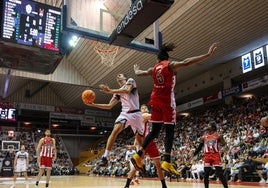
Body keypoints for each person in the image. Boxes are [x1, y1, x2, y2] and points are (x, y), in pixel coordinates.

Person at [131, 42, 218, 175]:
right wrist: (207, 54)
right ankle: (167, 161)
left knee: (154, 132)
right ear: (166, 58)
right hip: (167, 102)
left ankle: (138, 154)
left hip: (155, 101)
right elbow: (187, 62)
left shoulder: (153, 69)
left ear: (158, 59)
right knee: (170, 131)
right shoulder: (169, 65)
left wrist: (136, 70)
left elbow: (139, 73)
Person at [86, 73, 144, 166]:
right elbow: (109, 106)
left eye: (120, 75)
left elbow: (127, 90)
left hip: (136, 114)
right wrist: (93, 104)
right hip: (125, 114)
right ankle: (105, 157)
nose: (118, 77)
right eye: (117, 76)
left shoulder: (130, 81)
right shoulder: (117, 92)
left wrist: (109, 91)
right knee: (115, 131)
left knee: (140, 143)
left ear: (125, 77)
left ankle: (141, 162)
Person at [124, 104, 168, 188]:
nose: (144, 109)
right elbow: (154, 116)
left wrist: (134, 145)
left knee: (157, 165)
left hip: (149, 143)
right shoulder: (143, 116)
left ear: (147, 110)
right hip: (144, 144)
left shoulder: (145, 120)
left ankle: (164, 185)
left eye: (145, 108)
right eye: (142, 108)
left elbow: (137, 134)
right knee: (138, 166)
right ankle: (127, 185)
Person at [192, 122, 228, 188]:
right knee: (206, 174)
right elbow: (200, 147)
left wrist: (224, 147)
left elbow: (225, 145)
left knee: (220, 174)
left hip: (216, 155)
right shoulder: (204, 137)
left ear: (213, 127)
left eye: (209, 125)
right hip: (207, 156)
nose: (207, 126)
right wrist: (194, 153)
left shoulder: (218, 135)